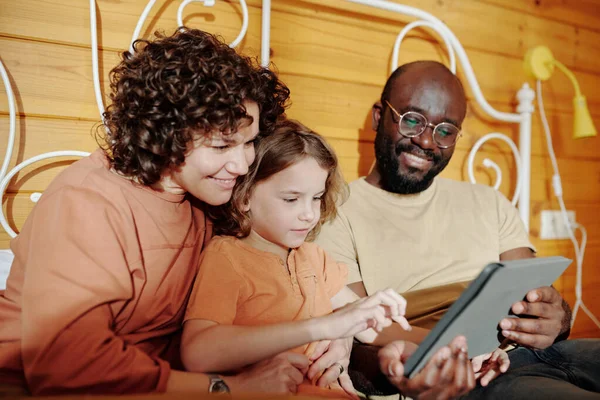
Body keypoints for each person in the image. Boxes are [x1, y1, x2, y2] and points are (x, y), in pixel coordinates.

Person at [0, 28, 309, 396]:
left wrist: (334, 336)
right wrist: (231, 387)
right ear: (167, 132)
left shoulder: (208, 199)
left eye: (249, 143)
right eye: (223, 144)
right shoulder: (86, 203)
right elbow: (69, 369)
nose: (242, 164)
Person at [315, 60, 600, 399]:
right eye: (412, 120)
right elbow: (358, 336)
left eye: (445, 130)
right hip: (469, 376)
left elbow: (535, 294)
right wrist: (410, 366)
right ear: (380, 117)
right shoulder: (332, 209)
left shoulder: (489, 202)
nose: (426, 141)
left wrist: (558, 319)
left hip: (544, 354)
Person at [180, 119, 413, 399]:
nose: (309, 214)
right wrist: (324, 327)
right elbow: (198, 354)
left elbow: (371, 328)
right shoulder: (227, 257)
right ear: (244, 197)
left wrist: (456, 346)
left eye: (316, 197)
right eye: (291, 199)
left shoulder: (314, 258)